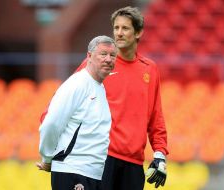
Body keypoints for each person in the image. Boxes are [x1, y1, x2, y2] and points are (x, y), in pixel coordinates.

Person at [76, 6, 168, 190]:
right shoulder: (96, 63)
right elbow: (66, 97)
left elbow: (155, 116)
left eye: (125, 28)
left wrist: (160, 153)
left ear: (138, 32)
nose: (119, 33)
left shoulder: (149, 69)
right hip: (100, 157)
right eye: (116, 28)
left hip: (133, 163)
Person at [36, 35, 117, 190]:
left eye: (112, 55)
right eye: (103, 54)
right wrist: (47, 157)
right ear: (89, 56)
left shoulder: (99, 87)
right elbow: (51, 123)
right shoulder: (77, 84)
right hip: (73, 172)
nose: (108, 59)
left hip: (92, 173)